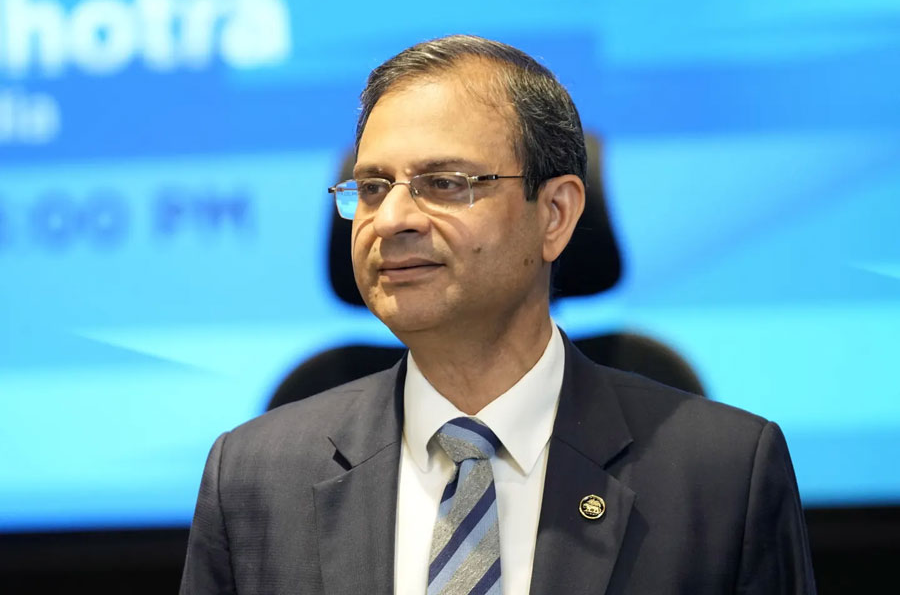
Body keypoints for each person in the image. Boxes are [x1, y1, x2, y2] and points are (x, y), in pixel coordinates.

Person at [180, 35, 816, 594]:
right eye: (372, 188)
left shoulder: (725, 472)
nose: (393, 218)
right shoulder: (252, 478)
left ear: (556, 215)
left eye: (446, 182)